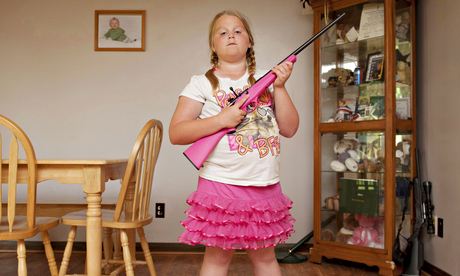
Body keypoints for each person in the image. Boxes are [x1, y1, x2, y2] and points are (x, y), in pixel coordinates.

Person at [169, 10, 299, 276]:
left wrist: (282, 87)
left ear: (249, 41)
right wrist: (221, 119)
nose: (231, 35)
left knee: (264, 258)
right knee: (217, 260)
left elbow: (289, 128)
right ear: (213, 45)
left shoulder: (270, 80)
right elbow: (177, 133)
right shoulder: (201, 84)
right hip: (220, 185)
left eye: (238, 31)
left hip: (264, 183)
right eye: (223, 32)